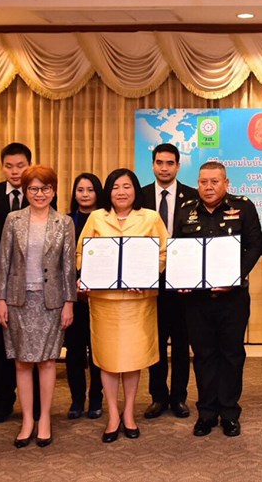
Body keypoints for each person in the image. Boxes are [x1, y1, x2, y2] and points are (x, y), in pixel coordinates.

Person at [76, 168, 167, 442]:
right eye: (115, 186)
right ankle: (113, 414)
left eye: (127, 186)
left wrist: (149, 274)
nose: (121, 191)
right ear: (108, 191)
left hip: (138, 302)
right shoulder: (96, 217)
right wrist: (89, 272)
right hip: (105, 302)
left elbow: (163, 252)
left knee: (132, 359)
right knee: (108, 359)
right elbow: (81, 253)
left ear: (135, 190)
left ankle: (128, 412)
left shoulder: (150, 217)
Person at [173, 161, 261, 438]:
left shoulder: (243, 207)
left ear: (226, 183)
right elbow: (178, 248)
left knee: (232, 355)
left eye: (214, 181)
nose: (208, 187)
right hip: (197, 300)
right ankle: (207, 413)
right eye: (203, 182)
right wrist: (181, 279)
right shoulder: (185, 208)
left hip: (232, 297)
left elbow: (255, 245)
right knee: (203, 356)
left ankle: (230, 413)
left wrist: (233, 277)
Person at [0, 165, 76, 448]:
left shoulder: (64, 222)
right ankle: (27, 418)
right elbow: (3, 262)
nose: (39, 194)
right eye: (33, 189)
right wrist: (0, 300)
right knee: (21, 361)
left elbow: (68, 268)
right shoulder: (13, 219)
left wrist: (69, 303)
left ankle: (44, 419)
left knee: (48, 361)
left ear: (53, 190)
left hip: (50, 302)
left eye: (45, 188)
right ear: (25, 191)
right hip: (18, 300)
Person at [0, 142, 48, 424]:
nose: (15, 171)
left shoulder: (40, 193)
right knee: (3, 348)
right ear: (2, 166)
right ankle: (3, 402)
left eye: (20, 165)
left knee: (36, 350)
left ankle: (39, 405)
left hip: (34, 286)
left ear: (29, 165)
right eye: (9, 166)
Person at [141, 143, 198, 421]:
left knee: (181, 341)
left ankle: (179, 397)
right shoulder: (139, 197)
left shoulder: (194, 196)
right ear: (152, 165)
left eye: (169, 163)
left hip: (184, 282)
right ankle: (157, 397)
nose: (164, 168)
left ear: (178, 166)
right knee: (156, 342)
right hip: (150, 282)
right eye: (159, 162)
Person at [64, 173, 105, 420]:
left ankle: (96, 399)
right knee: (75, 351)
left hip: (100, 298)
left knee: (98, 351)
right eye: (80, 190)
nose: (85, 194)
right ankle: (76, 400)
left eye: (90, 190)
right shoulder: (65, 221)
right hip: (72, 297)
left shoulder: (105, 220)